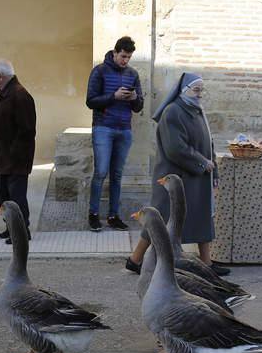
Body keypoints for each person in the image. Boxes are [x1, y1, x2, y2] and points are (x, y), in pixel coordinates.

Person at [125, 72, 229, 276]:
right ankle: (135, 259)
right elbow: (175, 148)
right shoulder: (173, 112)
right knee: (160, 218)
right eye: (196, 90)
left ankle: (206, 263)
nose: (199, 94)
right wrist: (201, 163)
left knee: (202, 215)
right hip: (173, 177)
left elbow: (209, 143)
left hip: (196, 177)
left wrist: (213, 169)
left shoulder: (198, 111)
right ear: (184, 90)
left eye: (201, 90)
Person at [85, 36, 144, 232]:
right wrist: (113, 97)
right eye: (123, 56)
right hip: (103, 128)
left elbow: (139, 107)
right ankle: (94, 215)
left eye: (128, 57)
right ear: (115, 52)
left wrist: (135, 98)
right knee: (101, 172)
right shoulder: (99, 71)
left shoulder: (133, 74)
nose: (125, 60)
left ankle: (113, 216)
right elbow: (90, 101)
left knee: (117, 175)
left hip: (124, 129)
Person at [0, 59, 36, 244]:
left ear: (0, 76)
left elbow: (27, 130)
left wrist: (13, 154)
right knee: (3, 195)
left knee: (16, 197)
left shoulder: (20, 95)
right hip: (2, 157)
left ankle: (22, 231)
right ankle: (10, 227)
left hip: (15, 159)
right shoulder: (2, 94)